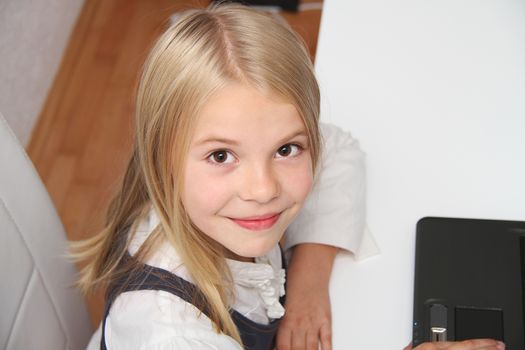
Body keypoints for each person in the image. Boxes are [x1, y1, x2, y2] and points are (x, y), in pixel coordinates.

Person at [72, 4, 504, 350]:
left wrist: (307, 287)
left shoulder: (203, 201)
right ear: (160, 158)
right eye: (221, 155)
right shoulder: (169, 334)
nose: (263, 189)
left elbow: (337, 148)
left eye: (286, 149)